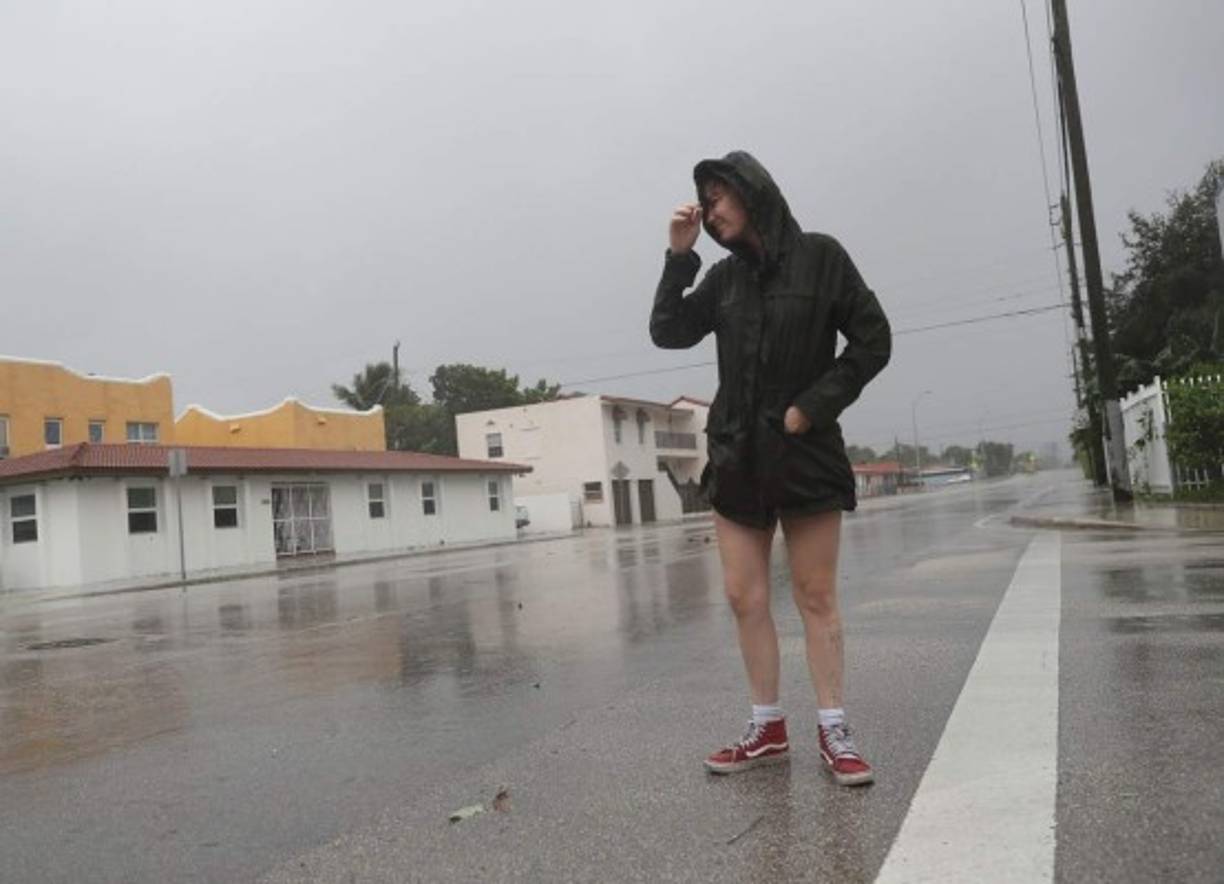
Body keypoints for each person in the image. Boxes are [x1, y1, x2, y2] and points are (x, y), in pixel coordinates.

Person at [650, 151, 891, 786]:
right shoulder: (725, 279)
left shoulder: (822, 258)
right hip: (737, 455)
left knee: (815, 596)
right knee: (742, 596)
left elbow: (873, 340)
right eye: (703, 202)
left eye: (718, 198)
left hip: (803, 451)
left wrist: (811, 408)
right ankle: (767, 727)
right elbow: (668, 331)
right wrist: (680, 256)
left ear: (752, 193)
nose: (709, 211)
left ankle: (834, 728)